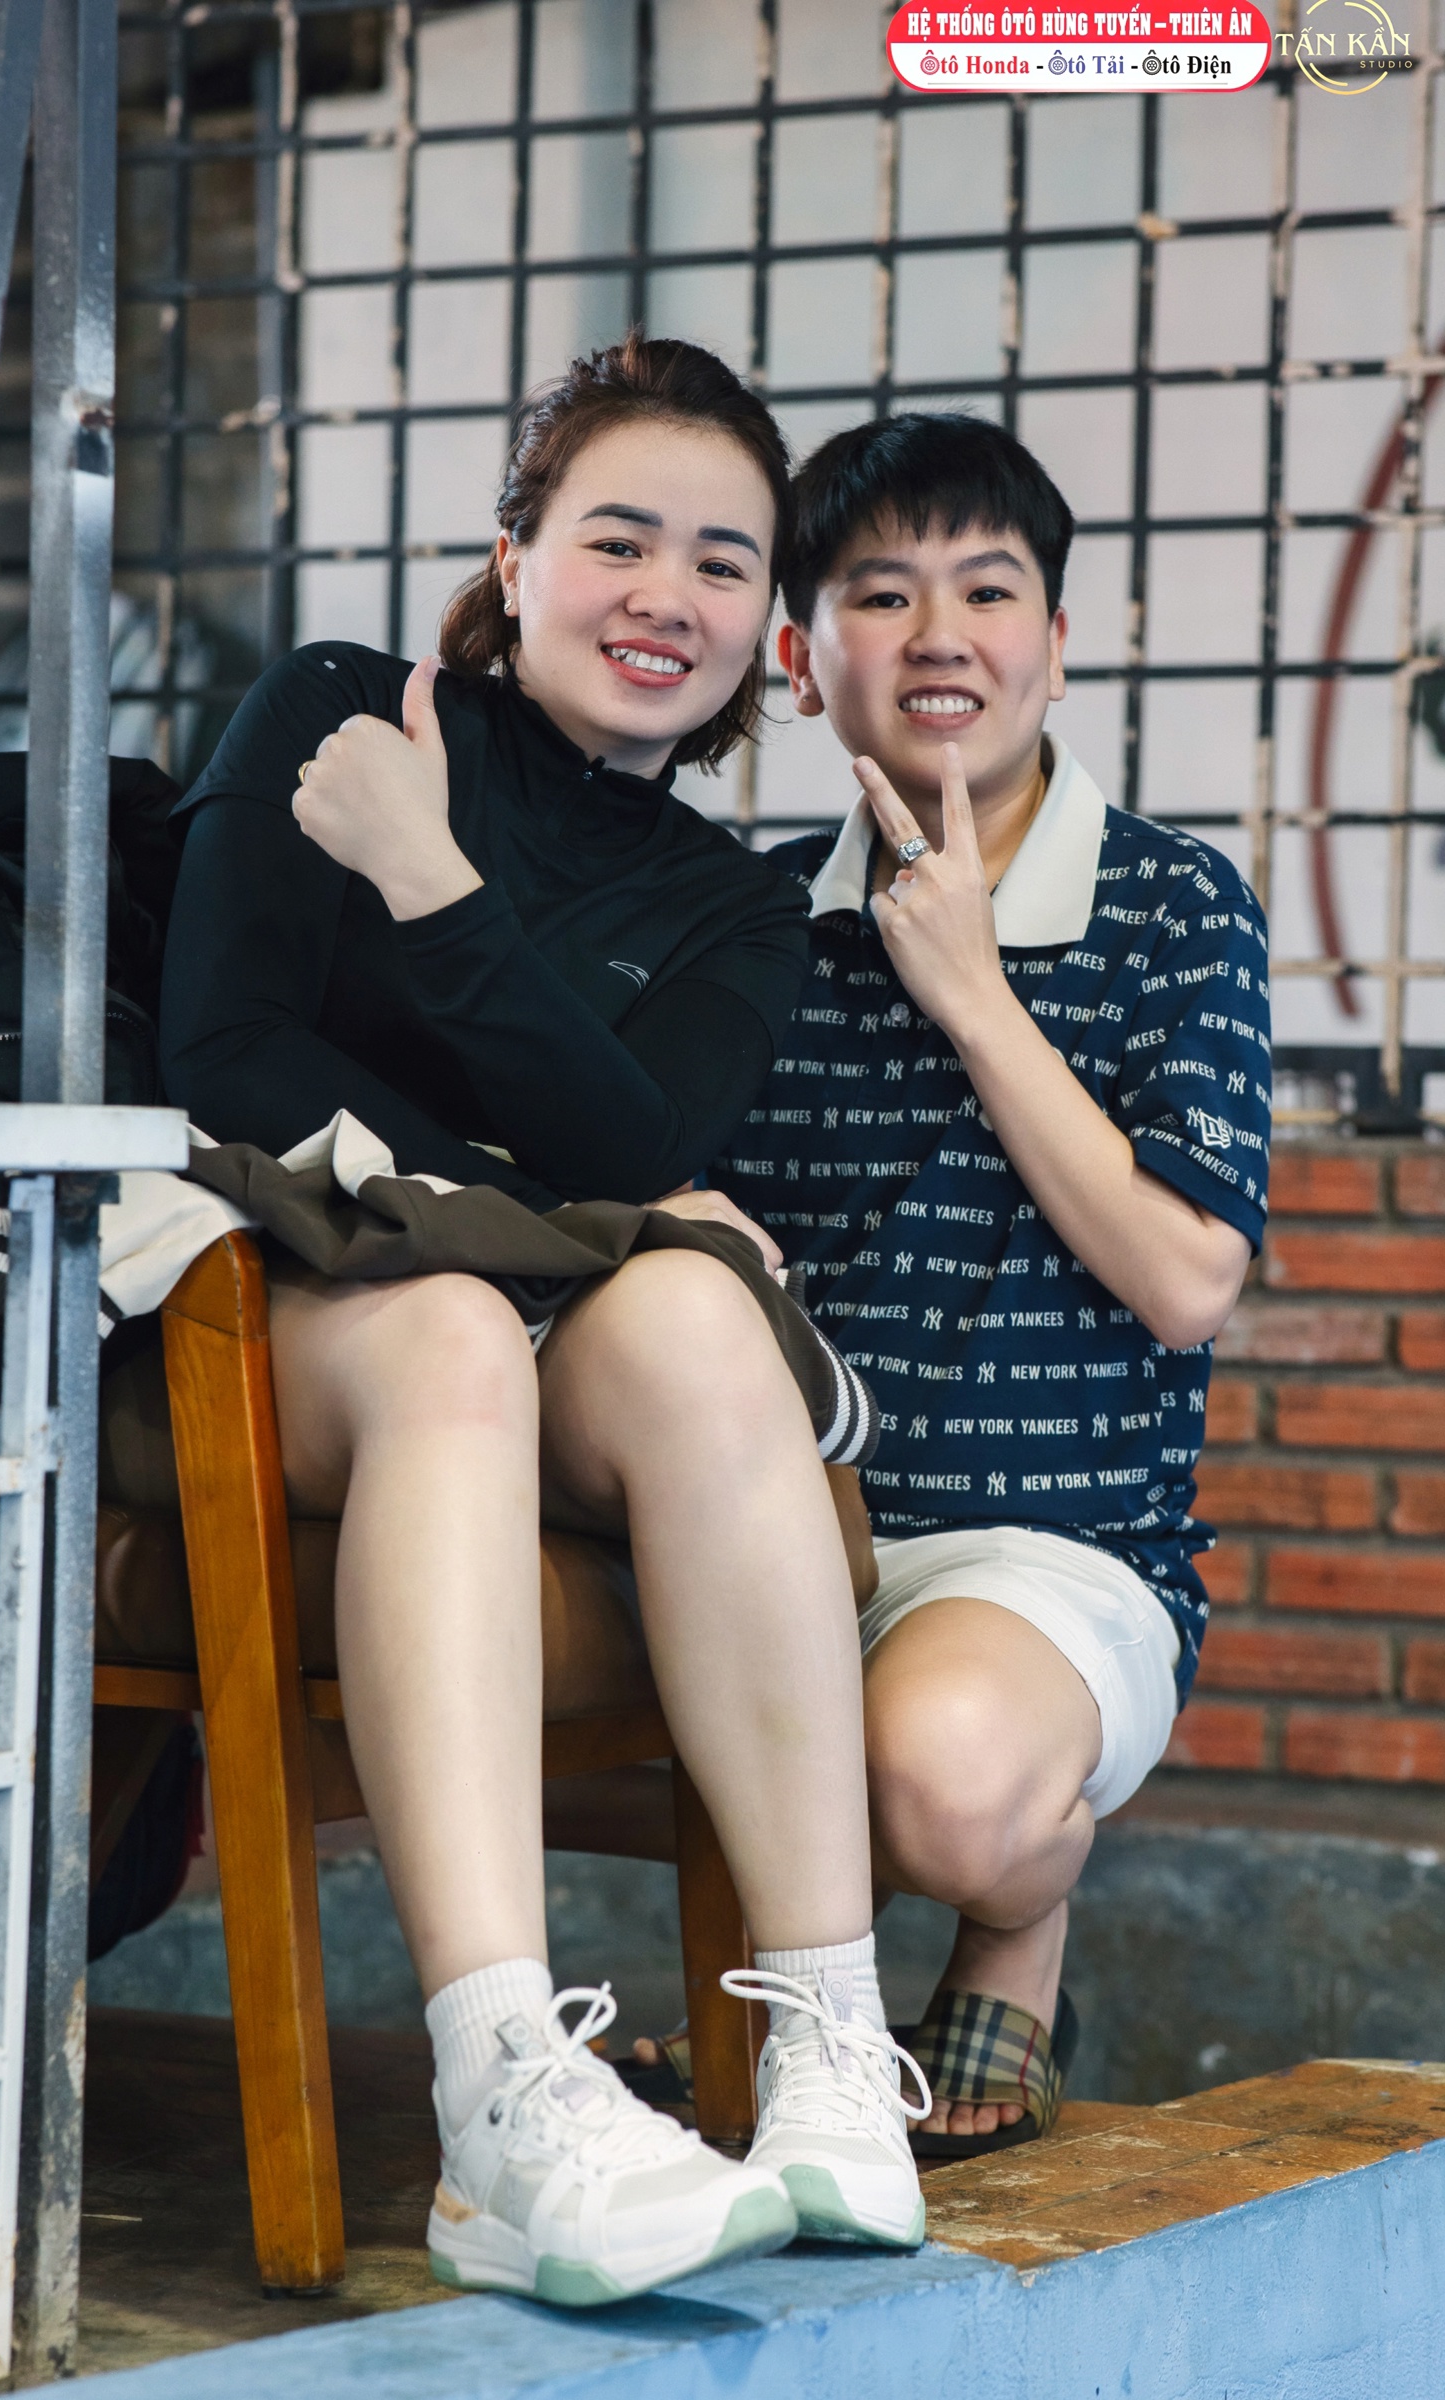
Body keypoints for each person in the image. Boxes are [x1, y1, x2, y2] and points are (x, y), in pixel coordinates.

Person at [158, 337, 929, 2305]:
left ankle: (830, 2047)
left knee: (696, 1323)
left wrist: (428, 887)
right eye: (617, 539)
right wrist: (551, 1188)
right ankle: (500, 2095)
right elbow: (230, 1055)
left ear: (765, 626)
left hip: (541, 1309)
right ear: (515, 559)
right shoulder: (343, 713)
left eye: (723, 562)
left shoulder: (737, 906)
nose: (666, 593)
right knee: (453, 1331)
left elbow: (648, 1141)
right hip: (268, 1284)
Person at [711, 412, 1269, 2159]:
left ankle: (1020, 1930)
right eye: (882, 594)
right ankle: (785, 2035)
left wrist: (970, 988)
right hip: (779, 1531)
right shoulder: (746, 922)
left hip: (1053, 1558)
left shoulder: (1176, 905)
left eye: (988, 589)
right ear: (802, 660)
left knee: (944, 1791)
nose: (939, 633)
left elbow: (1186, 1281)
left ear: (1057, 641)